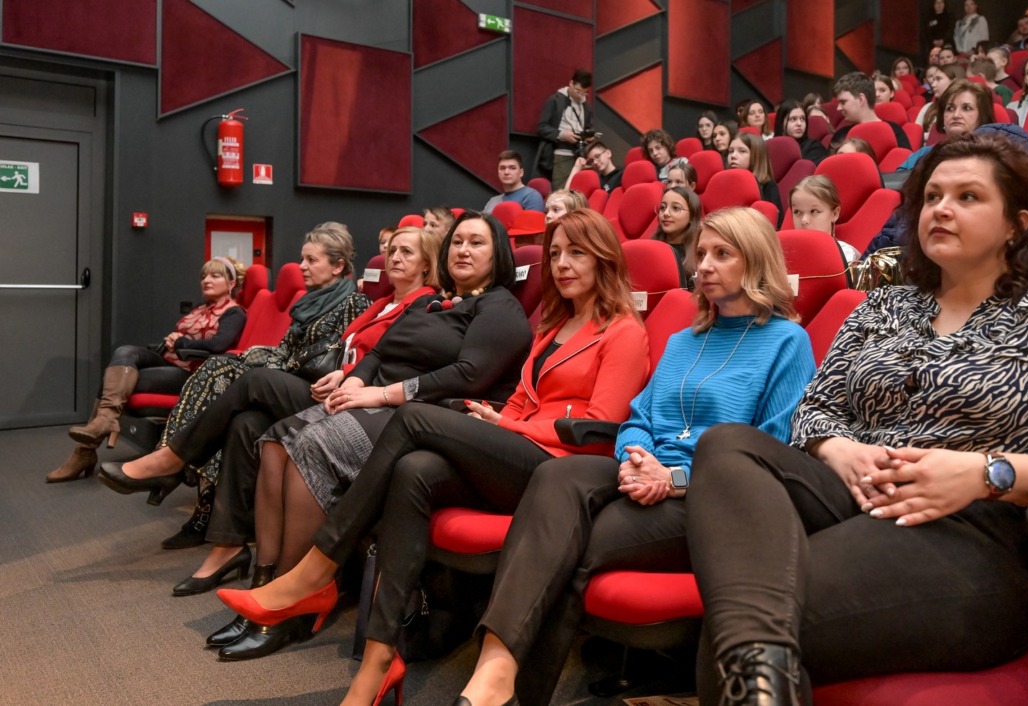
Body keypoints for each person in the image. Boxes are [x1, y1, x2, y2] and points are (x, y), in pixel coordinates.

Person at [681, 132, 1028, 706]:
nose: (941, 209)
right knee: (728, 444)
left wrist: (983, 473)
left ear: (1017, 223)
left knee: (738, 628)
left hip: (978, 536)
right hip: (854, 496)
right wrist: (835, 448)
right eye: (931, 197)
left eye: (968, 197)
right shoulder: (886, 305)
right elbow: (814, 409)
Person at [217, 209, 651, 700]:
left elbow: (599, 429)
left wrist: (505, 425)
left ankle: (319, 568)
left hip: (558, 470)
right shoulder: (554, 326)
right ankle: (378, 660)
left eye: (576, 253)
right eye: (554, 254)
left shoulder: (624, 331)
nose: (562, 264)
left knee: (412, 417)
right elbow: (518, 400)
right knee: (414, 469)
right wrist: (490, 421)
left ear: (603, 259)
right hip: (515, 447)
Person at [448, 206, 817, 706]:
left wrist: (674, 477)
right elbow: (638, 416)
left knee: (569, 546)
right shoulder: (685, 340)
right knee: (559, 476)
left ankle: (510, 692)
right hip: (644, 472)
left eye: (722, 254)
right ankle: (495, 678)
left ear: (756, 261)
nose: (704, 265)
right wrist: (633, 457)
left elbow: (769, 451)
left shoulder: (787, 342)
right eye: (701, 253)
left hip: (710, 497)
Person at [105, 227, 441, 597]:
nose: (394, 258)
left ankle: (173, 458)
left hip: (356, 405)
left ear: (427, 264)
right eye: (392, 251)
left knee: (253, 381)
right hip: (330, 389)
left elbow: (395, 364)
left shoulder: (422, 306)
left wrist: (348, 376)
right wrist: (343, 373)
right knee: (245, 423)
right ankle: (229, 546)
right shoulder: (380, 304)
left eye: (406, 252)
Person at [98, 223, 371, 546]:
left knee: (221, 371)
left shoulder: (354, 304)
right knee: (231, 402)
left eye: (311, 260)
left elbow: (344, 358)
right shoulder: (308, 304)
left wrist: (267, 363)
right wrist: (254, 356)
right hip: (285, 378)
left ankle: (171, 461)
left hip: (315, 392)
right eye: (302, 258)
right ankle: (201, 504)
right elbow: (285, 351)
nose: (301, 266)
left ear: (337, 266)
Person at [47, 257, 247, 483]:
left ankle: (85, 449)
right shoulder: (200, 309)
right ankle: (102, 424)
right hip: (170, 362)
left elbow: (219, 345)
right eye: (204, 276)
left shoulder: (234, 313)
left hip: (193, 373)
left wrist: (180, 342)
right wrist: (172, 340)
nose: (206, 280)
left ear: (231, 283)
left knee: (117, 379)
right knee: (124, 353)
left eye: (215, 276)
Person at [901, 79, 996, 171]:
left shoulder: (991, 158)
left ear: (982, 117)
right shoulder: (924, 154)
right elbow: (896, 179)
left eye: (966, 108)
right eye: (950, 109)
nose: (956, 115)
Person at [535, 69, 593, 190]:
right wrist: (561, 134)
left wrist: (588, 137)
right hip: (561, 153)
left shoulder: (586, 107)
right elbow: (541, 127)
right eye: (578, 91)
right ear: (571, 83)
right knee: (561, 192)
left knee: (579, 192)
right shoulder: (555, 100)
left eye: (584, 93)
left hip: (581, 154)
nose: (580, 95)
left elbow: (588, 127)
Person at [830, 72, 912, 150]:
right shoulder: (840, 135)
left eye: (843, 102)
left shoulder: (893, 131)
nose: (838, 108)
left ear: (861, 99)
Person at [789, 175, 859, 263]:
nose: (804, 220)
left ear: (835, 214)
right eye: (797, 212)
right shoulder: (784, 255)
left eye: (814, 211)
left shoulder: (845, 255)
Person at [653, 185, 702, 287]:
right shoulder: (651, 249)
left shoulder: (699, 253)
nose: (666, 213)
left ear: (692, 216)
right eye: (662, 207)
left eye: (675, 208)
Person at [728, 132, 782, 221]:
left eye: (742, 151)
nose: (733, 156)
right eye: (731, 151)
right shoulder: (725, 185)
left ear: (757, 156)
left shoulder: (768, 187)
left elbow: (775, 223)